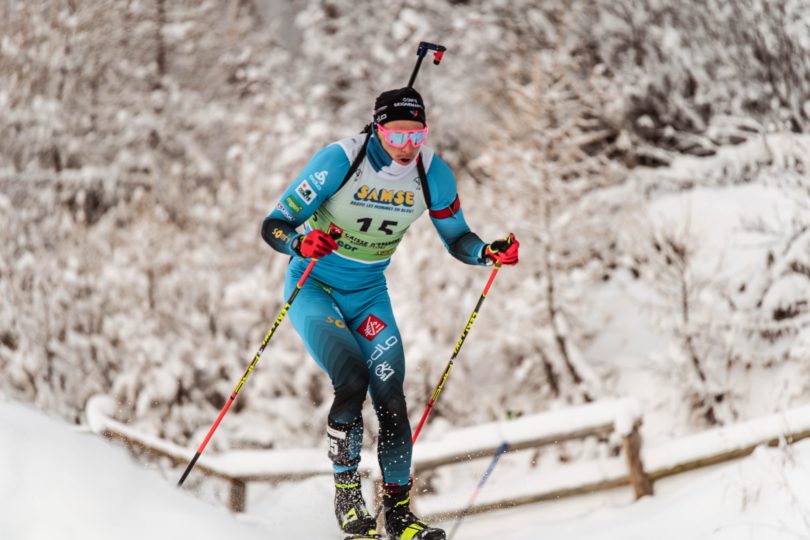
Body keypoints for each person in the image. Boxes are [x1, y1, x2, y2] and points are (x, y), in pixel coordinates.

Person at [261, 87, 519, 540]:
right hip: (315, 287)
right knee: (353, 379)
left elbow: (457, 237)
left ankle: (399, 513)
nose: (405, 148)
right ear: (376, 129)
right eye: (395, 136)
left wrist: (486, 252)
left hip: (368, 295)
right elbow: (275, 224)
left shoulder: (433, 174)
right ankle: (347, 497)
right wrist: (301, 242)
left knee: (392, 396)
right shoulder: (339, 161)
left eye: (415, 137)